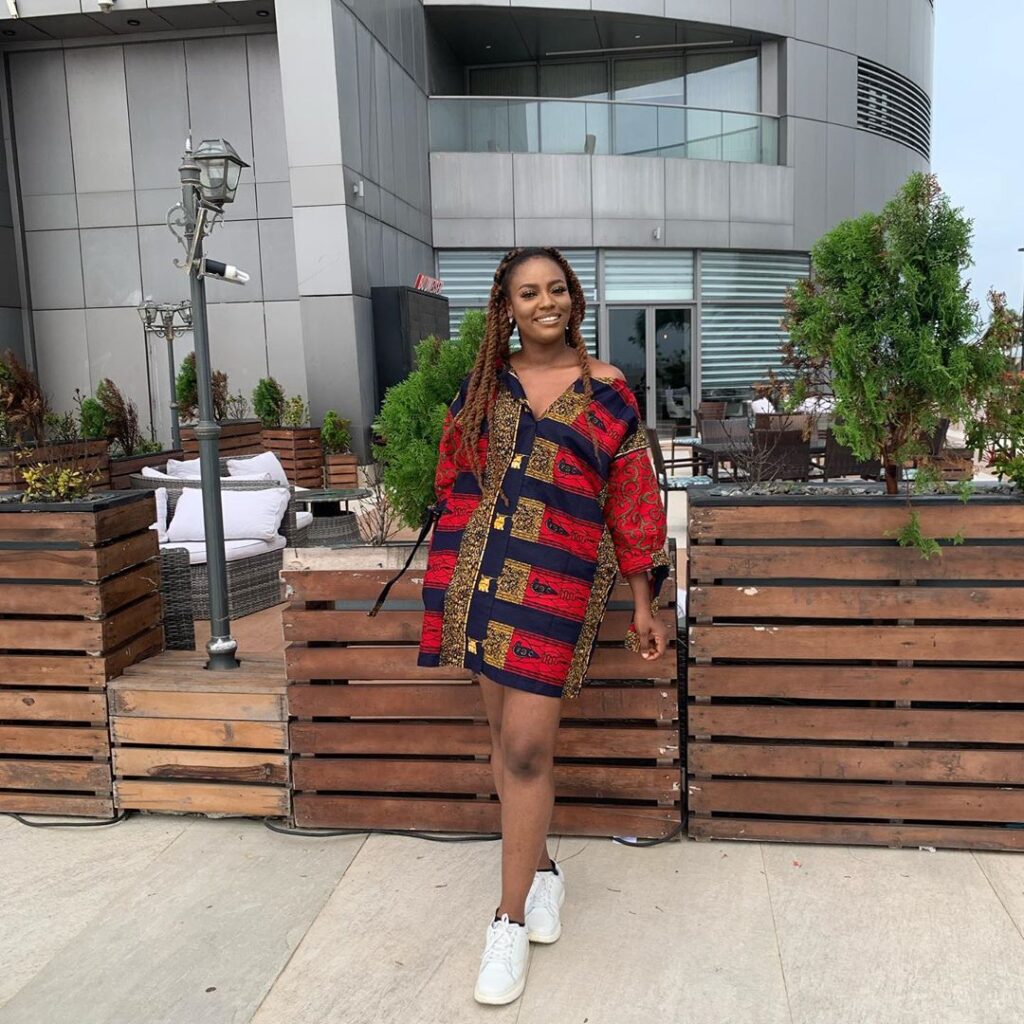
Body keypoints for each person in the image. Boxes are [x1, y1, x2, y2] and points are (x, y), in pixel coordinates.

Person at [417, 246, 669, 1006]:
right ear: (507, 307)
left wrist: (644, 600)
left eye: (556, 289)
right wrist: (453, 558)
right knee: (504, 745)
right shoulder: (483, 387)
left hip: (557, 587)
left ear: (575, 300)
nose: (545, 302)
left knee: (527, 749)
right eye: (528, 293)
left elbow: (633, 499)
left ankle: (508, 919)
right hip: (482, 583)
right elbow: (451, 474)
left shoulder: (608, 393)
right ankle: (545, 872)